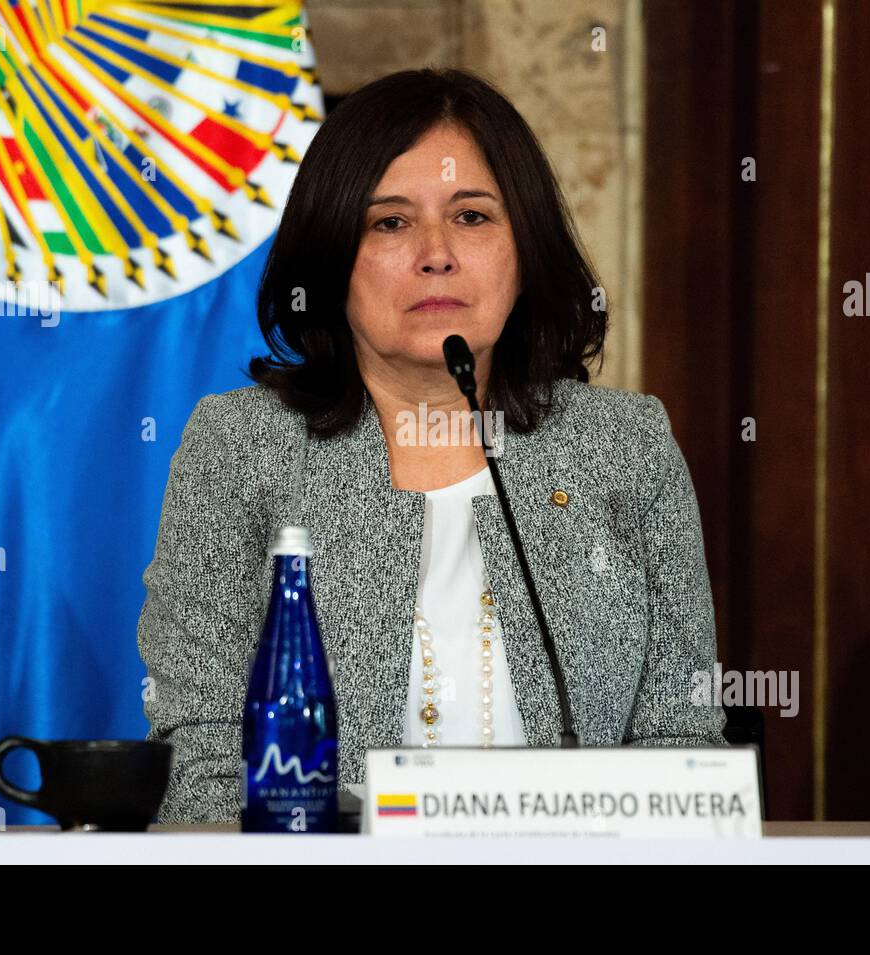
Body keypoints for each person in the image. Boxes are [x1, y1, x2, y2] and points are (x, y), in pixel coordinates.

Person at [137, 68, 727, 824]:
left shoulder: (626, 448)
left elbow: (678, 742)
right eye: (389, 222)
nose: (436, 253)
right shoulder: (242, 448)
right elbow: (204, 753)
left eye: (473, 216)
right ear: (331, 257)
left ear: (527, 246)